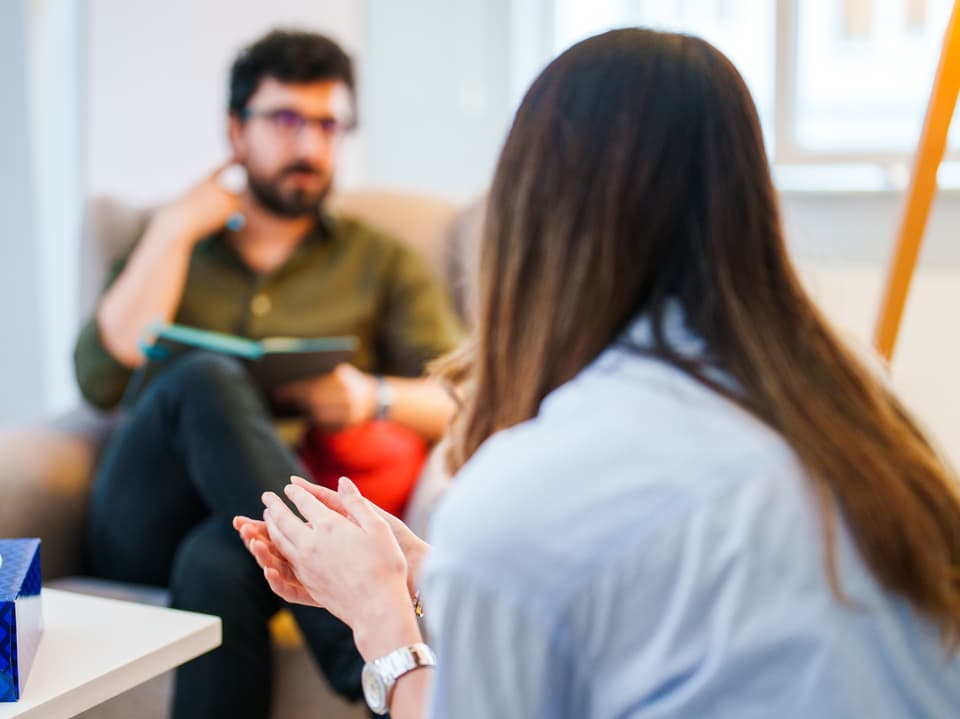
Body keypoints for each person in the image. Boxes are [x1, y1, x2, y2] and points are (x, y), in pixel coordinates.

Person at [235, 28, 960, 718]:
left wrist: (378, 616)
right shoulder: (856, 406)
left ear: (529, 222)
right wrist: (429, 571)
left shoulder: (530, 488)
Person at [73, 29, 462, 719]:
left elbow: (461, 398)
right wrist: (172, 229)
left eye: (327, 124)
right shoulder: (175, 239)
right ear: (235, 130)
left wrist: (370, 396)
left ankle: (368, 648)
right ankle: (361, 654)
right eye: (285, 120)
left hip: (248, 534)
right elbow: (99, 377)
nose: (309, 146)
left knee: (217, 561)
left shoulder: (381, 260)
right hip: (143, 514)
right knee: (205, 379)